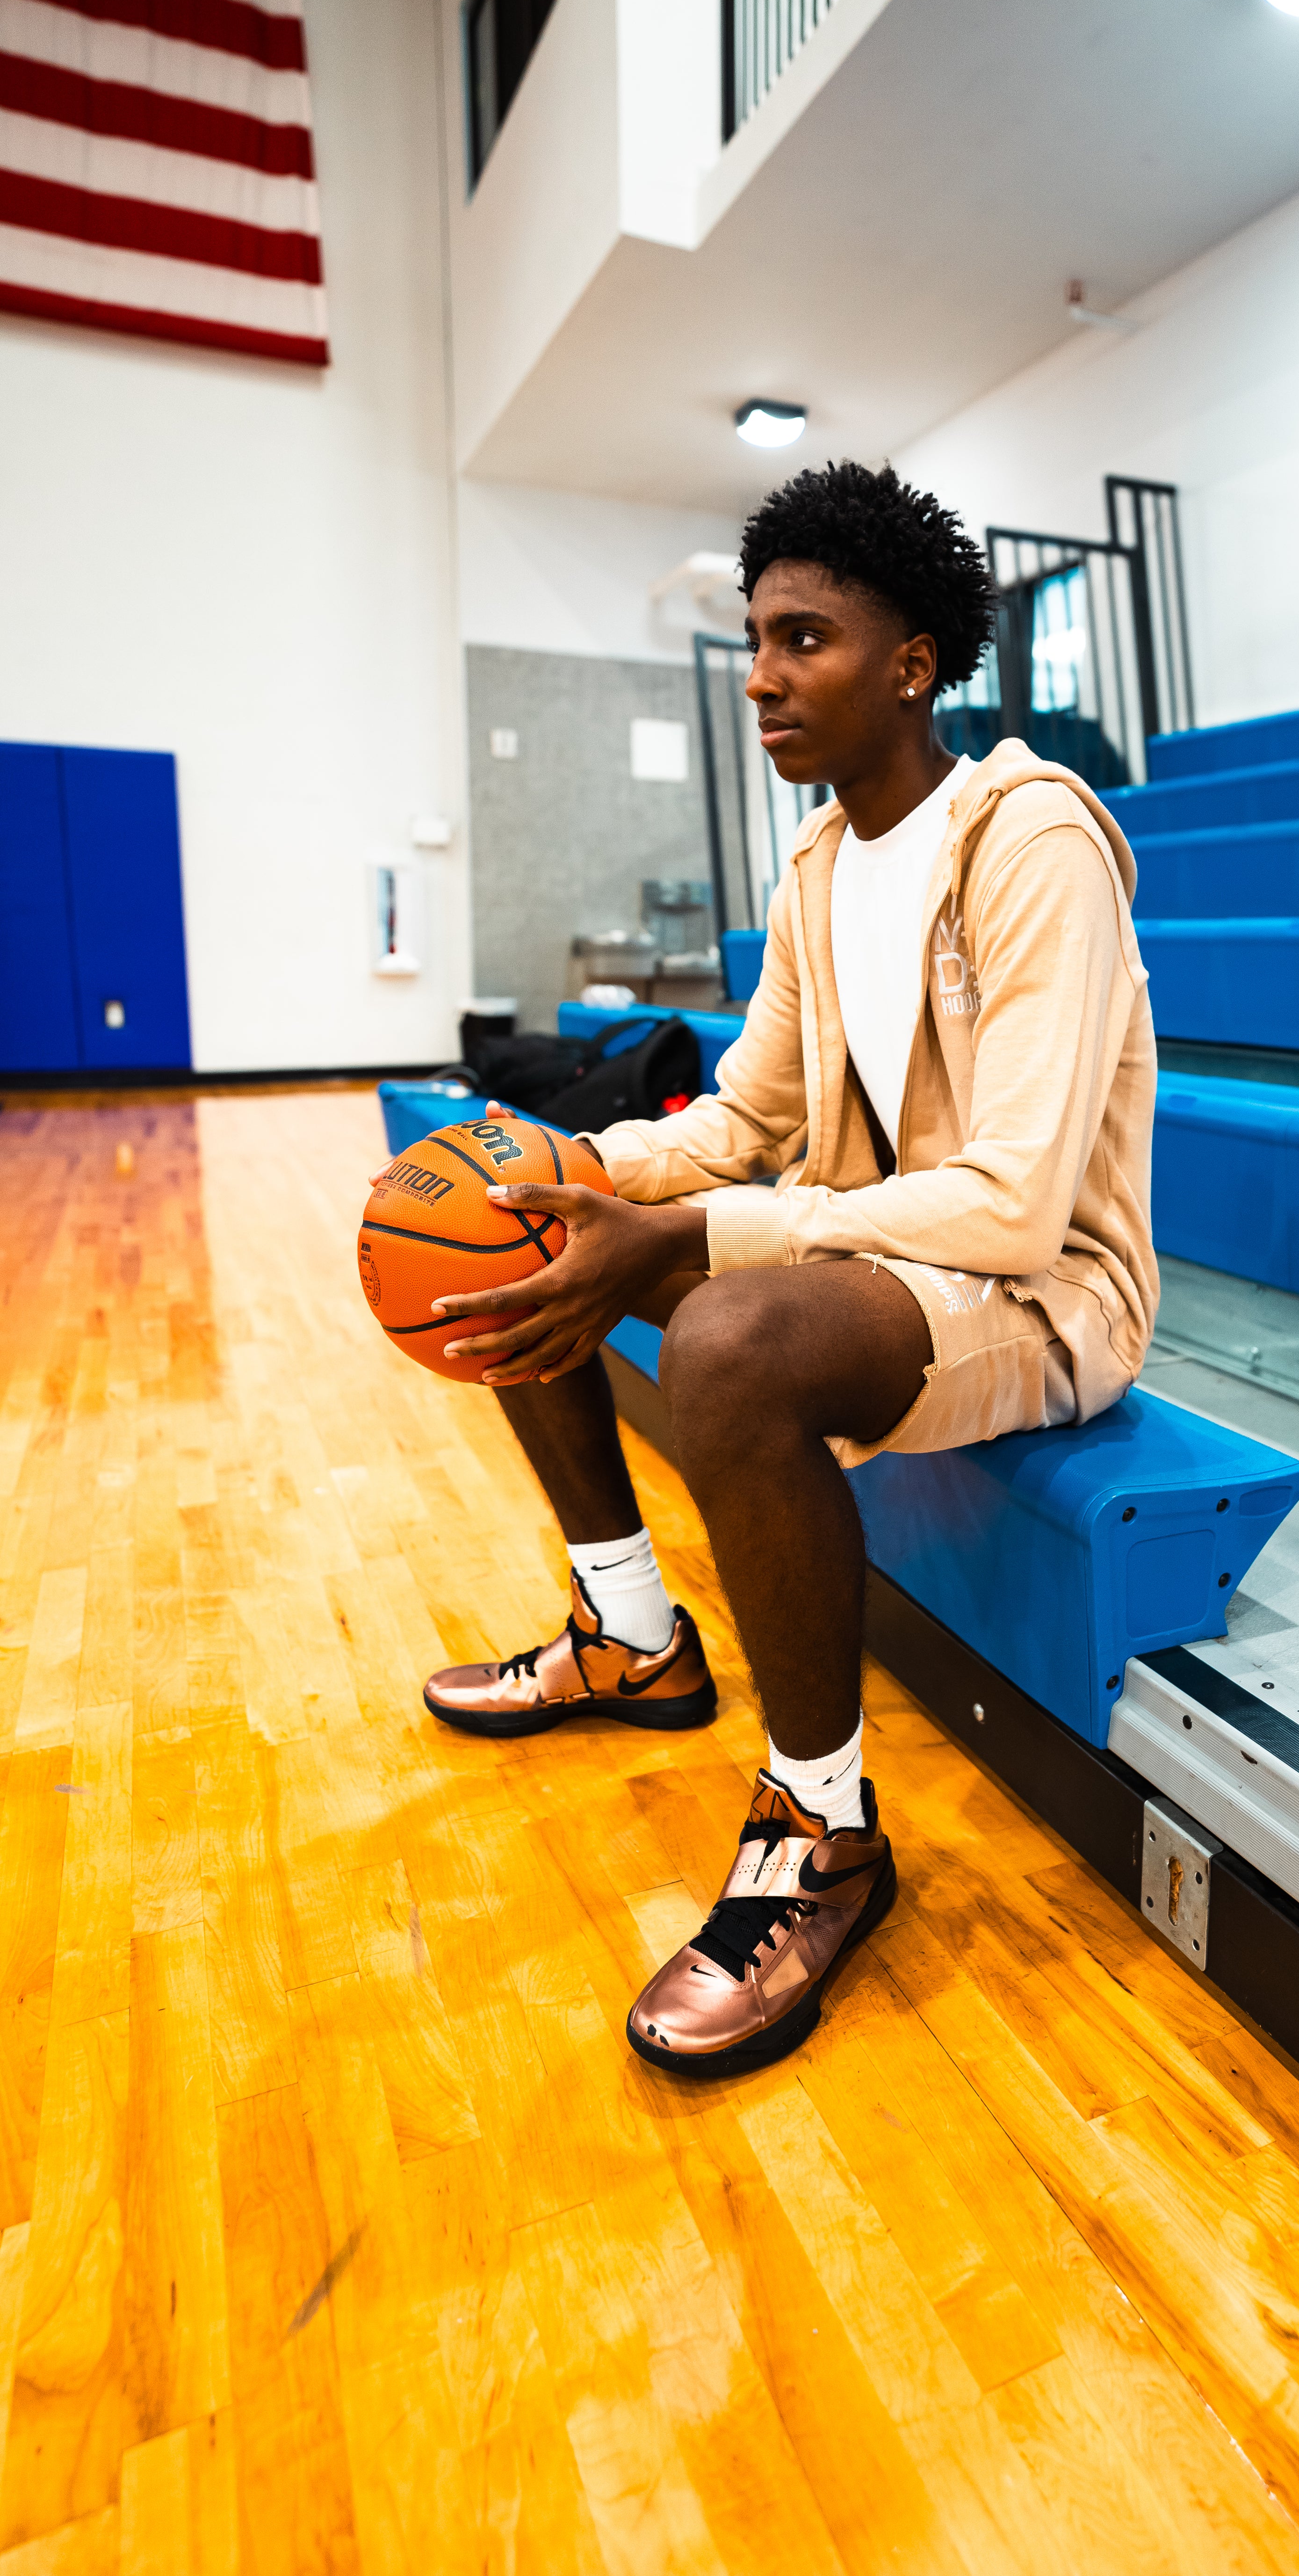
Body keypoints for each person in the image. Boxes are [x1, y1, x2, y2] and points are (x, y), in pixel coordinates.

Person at [422, 460, 1157, 2078]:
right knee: (511, 1226)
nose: (760, 675)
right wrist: (563, 1170)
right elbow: (744, 1118)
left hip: (1045, 1294)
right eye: (758, 639)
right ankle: (630, 1636)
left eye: (804, 639)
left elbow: (1015, 1205)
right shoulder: (823, 867)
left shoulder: (1034, 842)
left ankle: (822, 1829)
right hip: (885, 1261)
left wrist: (698, 1233)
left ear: (912, 665)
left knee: (730, 1340)